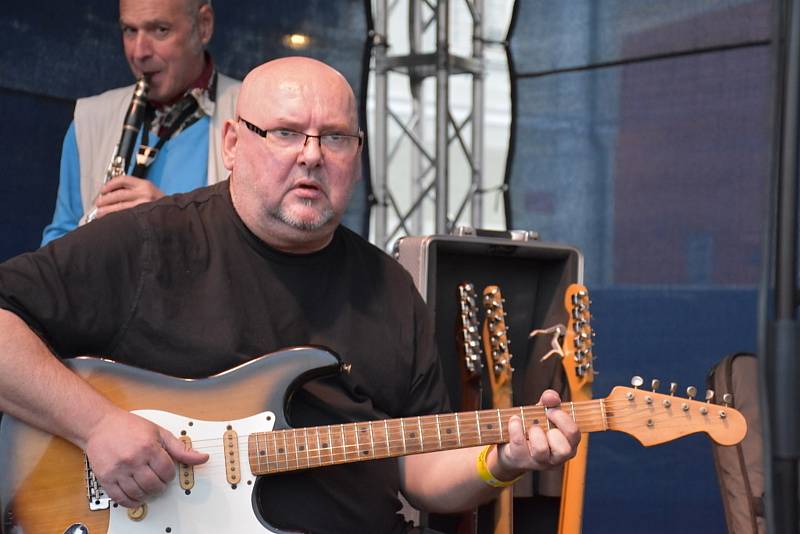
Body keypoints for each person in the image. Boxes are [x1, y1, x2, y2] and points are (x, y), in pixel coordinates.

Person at [0, 57, 579, 533]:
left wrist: (503, 460)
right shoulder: (151, 242)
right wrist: (97, 425)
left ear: (356, 155)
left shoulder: (390, 289)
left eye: (335, 138)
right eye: (283, 133)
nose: (311, 155)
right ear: (231, 142)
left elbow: (420, 467)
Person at [40, 0, 240, 246]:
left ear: (204, 26)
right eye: (130, 30)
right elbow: (56, 248)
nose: (139, 52)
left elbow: (265, 256)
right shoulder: (89, 120)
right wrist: (91, 228)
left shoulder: (253, 116)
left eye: (160, 30)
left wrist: (174, 221)